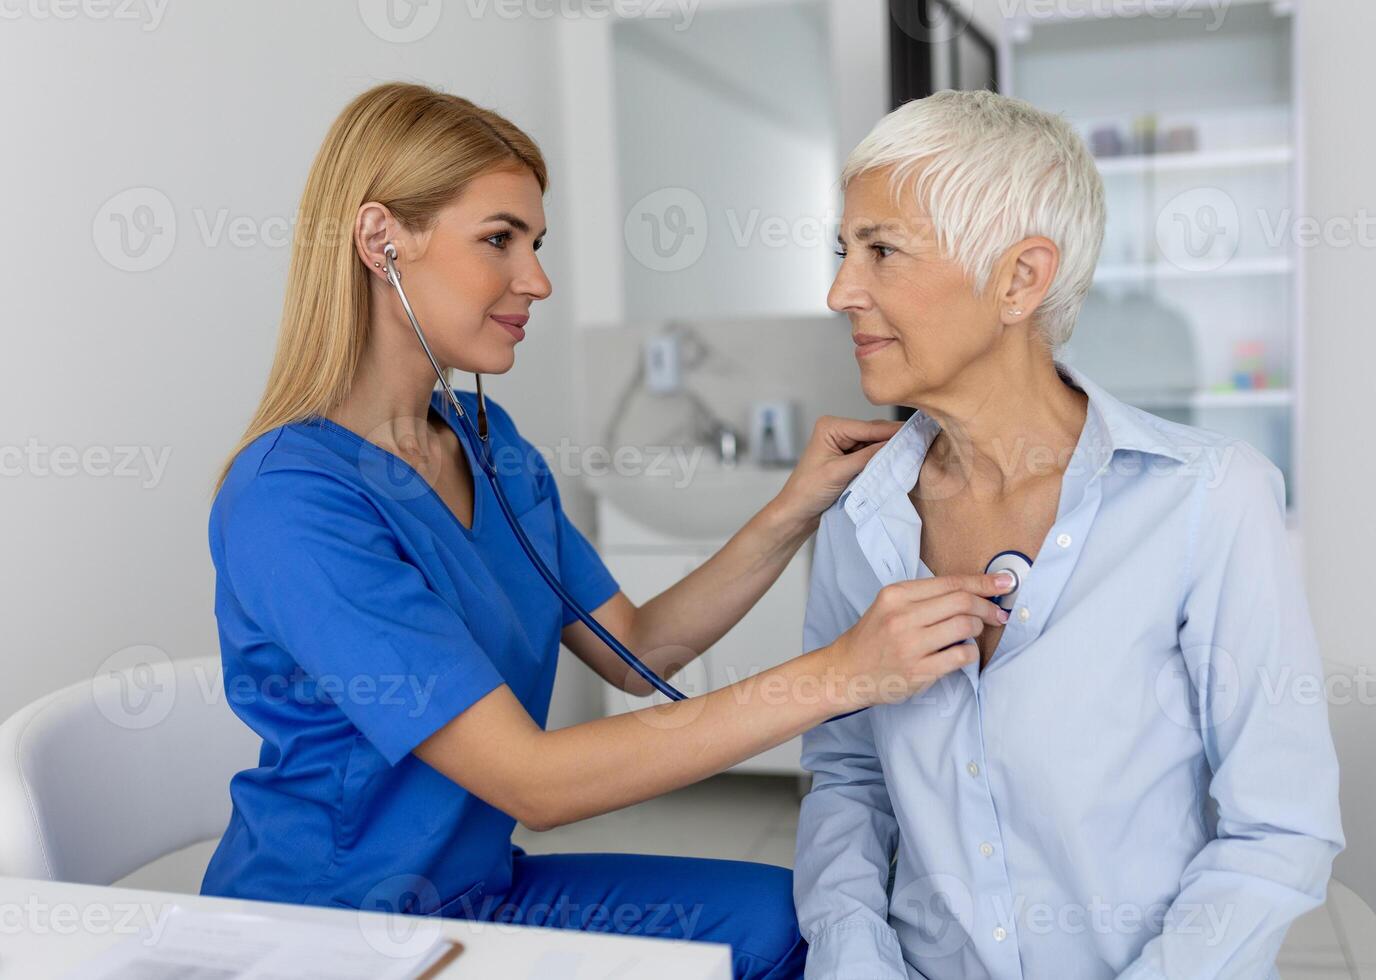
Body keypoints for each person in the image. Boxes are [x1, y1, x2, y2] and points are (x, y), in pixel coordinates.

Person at [200, 82, 1014, 979]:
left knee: (792, 923)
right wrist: (845, 670)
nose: (537, 280)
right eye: (499, 239)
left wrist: (794, 506)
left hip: (479, 894)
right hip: (329, 931)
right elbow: (532, 784)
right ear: (380, 240)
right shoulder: (293, 500)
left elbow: (637, 650)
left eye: (536, 245)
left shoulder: (489, 447)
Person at [794, 89, 1344, 979]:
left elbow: (1279, 828)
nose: (839, 292)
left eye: (882, 252)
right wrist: (858, 962)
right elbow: (849, 786)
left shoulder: (1206, 499)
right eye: (843, 252)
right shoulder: (866, 515)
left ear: (1019, 279)